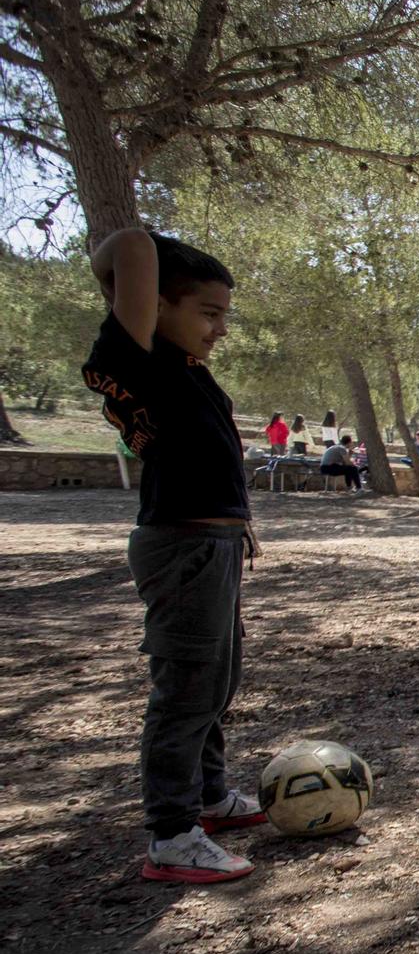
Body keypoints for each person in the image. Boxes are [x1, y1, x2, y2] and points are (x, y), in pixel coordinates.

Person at [82, 228, 263, 884]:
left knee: (217, 679)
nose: (219, 329)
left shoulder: (185, 369)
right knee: (186, 687)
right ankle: (171, 832)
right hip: (182, 547)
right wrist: (156, 255)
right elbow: (127, 247)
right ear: (156, 306)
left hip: (212, 547)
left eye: (224, 316)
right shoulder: (142, 361)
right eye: (208, 313)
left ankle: (208, 796)